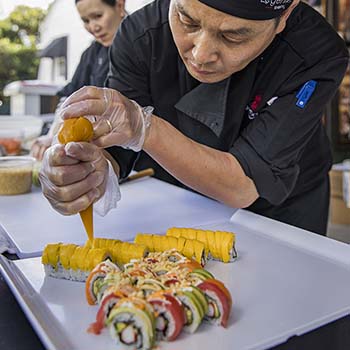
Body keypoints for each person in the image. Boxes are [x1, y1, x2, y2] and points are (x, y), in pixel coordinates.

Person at [39, 0, 349, 235]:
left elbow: (245, 184)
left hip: (286, 208)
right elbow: (116, 149)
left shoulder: (315, 51)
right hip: (184, 195)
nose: (201, 55)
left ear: (284, 15)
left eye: (234, 36)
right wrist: (88, 171)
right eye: (186, 20)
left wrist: (145, 127)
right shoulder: (139, 36)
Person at [30, 0, 126, 160]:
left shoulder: (141, 45)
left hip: (145, 158)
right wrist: (51, 136)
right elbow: (68, 97)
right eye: (86, 20)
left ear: (120, 6)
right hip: (103, 155)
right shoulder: (91, 53)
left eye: (98, 16)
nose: (94, 27)